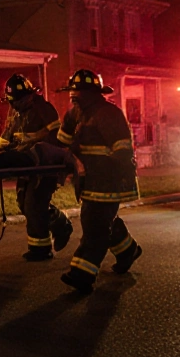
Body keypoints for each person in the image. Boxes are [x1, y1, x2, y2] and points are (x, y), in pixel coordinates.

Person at [55, 69, 144, 295]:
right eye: (73, 91)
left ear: (94, 93)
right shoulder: (76, 114)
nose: (75, 96)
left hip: (109, 179)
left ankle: (82, 274)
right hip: (91, 181)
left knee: (95, 226)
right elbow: (62, 144)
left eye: (80, 92)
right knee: (103, 221)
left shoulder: (108, 114)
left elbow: (123, 150)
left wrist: (110, 172)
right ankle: (128, 251)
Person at [0, 74, 74, 261]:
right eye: (11, 101)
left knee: (34, 204)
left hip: (45, 166)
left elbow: (57, 139)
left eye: (17, 101)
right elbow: (7, 136)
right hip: (25, 165)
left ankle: (41, 249)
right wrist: (0, 155)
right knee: (24, 203)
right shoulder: (15, 111)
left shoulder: (44, 109)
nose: (13, 105)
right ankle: (58, 222)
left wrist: (32, 143)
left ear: (28, 96)